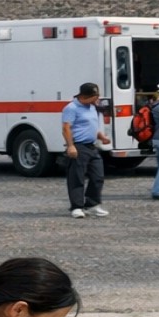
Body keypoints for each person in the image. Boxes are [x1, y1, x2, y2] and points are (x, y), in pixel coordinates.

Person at [59, 82, 110, 218]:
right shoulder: (72, 108)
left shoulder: (92, 107)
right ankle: (76, 206)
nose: (97, 99)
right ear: (84, 96)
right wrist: (70, 145)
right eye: (94, 96)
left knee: (98, 176)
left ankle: (92, 204)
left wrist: (101, 137)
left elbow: (92, 126)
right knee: (77, 177)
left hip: (92, 146)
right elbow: (66, 128)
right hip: (78, 146)